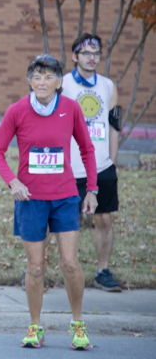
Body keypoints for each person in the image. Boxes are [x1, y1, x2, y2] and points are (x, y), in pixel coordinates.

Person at [0, 55, 99, 351]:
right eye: (37, 76)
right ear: (29, 80)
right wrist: (13, 182)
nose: (42, 82)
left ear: (59, 82)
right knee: (35, 267)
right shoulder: (17, 111)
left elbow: (87, 150)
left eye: (48, 77)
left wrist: (92, 189)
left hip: (64, 197)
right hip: (31, 200)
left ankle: (77, 324)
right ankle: (35, 327)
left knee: (70, 263)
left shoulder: (71, 109)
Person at [63, 33, 123, 292]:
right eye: (85, 53)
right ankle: (35, 269)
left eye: (96, 53)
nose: (91, 58)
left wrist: (111, 161)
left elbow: (114, 126)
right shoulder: (63, 84)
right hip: (69, 167)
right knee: (56, 220)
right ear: (74, 56)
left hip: (100, 166)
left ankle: (102, 270)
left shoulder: (108, 86)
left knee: (105, 219)